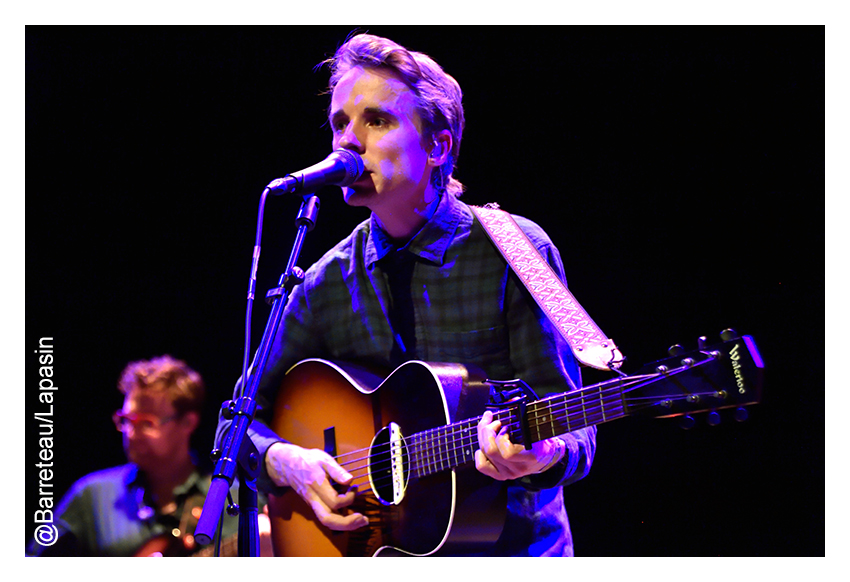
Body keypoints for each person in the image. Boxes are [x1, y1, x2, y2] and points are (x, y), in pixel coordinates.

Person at [217, 33, 596, 556]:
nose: (347, 140)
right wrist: (289, 463)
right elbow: (236, 423)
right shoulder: (325, 282)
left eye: (376, 120)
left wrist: (545, 454)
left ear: (438, 146)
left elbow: (574, 425)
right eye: (339, 123)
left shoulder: (517, 251)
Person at [28, 355, 271, 556]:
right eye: (126, 421)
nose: (131, 434)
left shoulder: (235, 496)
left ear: (188, 422)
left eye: (146, 423)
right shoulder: (91, 495)